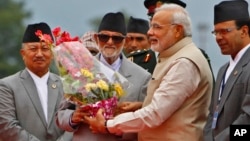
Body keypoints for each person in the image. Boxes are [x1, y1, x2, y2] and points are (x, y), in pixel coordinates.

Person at [84, 4, 213, 141]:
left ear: (177, 31)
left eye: (156, 27)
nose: (150, 32)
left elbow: (155, 114)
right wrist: (141, 105)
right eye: (151, 26)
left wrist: (107, 124)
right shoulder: (172, 57)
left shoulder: (184, 62)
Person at [56, 12, 151, 141]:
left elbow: (146, 119)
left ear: (125, 40)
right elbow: (61, 114)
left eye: (116, 38)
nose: (110, 42)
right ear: (96, 38)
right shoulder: (79, 70)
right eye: (104, 37)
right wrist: (73, 118)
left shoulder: (142, 76)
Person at [0, 22, 72, 141]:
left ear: (53, 53)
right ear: (23, 54)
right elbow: (7, 127)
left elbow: (74, 122)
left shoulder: (67, 86)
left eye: (45, 49)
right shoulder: (6, 86)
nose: (39, 54)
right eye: (33, 49)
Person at [204, 1, 250, 141]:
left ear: (244, 31)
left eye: (224, 31)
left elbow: (247, 119)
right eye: (215, 32)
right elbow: (212, 114)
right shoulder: (223, 70)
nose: (218, 38)